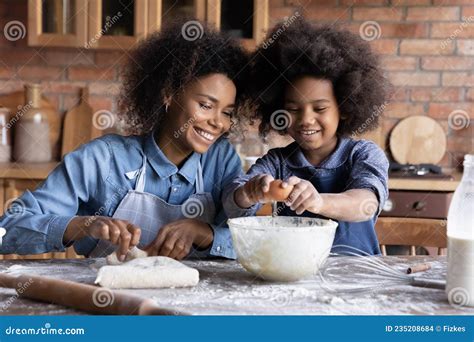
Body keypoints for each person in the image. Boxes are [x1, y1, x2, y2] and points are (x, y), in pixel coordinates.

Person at [0, 20, 250, 261]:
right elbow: (8, 229)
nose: (218, 122)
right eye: (206, 105)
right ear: (168, 95)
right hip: (108, 300)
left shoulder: (221, 161)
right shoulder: (103, 159)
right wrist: (84, 225)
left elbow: (250, 243)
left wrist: (204, 233)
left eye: (227, 112)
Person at [223, 18, 391, 255]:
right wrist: (250, 192)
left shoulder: (363, 154)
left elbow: (366, 204)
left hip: (357, 277)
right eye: (293, 109)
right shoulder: (277, 162)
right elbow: (233, 204)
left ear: (343, 109)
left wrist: (319, 201)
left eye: (320, 109)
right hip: (296, 278)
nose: (305, 119)